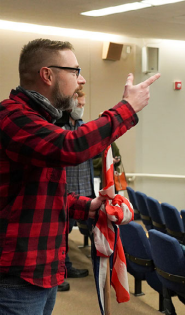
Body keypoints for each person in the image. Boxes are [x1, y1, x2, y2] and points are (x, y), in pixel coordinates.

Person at [0, 38, 160, 314]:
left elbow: (41, 192)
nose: (81, 80)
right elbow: (71, 147)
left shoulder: (39, 121)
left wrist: (87, 206)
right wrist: (127, 108)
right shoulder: (12, 117)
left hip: (40, 272)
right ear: (47, 74)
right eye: (74, 71)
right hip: (17, 276)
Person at [54, 90, 93, 292]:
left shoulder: (82, 126)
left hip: (83, 191)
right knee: (59, 236)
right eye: (79, 104)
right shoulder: (57, 129)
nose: (82, 108)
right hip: (64, 193)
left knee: (66, 235)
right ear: (69, 106)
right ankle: (57, 273)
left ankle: (66, 267)